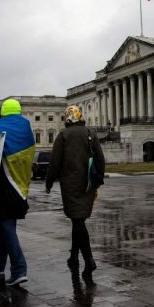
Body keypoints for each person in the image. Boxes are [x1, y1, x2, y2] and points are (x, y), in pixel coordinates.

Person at [0, 98, 36, 288]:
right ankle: (0, 267)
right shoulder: (27, 127)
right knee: (6, 226)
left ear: (3, 112)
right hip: (22, 185)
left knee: (6, 226)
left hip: (5, 185)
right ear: (19, 111)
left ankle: (19, 269)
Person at [45, 105, 105, 279]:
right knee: (77, 220)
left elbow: (55, 163)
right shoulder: (90, 133)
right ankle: (73, 257)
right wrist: (98, 180)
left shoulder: (63, 135)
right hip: (88, 184)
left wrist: (49, 182)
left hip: (70, 185)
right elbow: (100, 159)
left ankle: (89, 259)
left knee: (78, 221)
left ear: (68, 118)